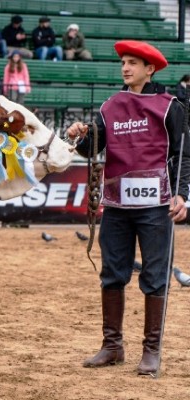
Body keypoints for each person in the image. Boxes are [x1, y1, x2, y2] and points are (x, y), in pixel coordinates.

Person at [66, 40, 190, 376]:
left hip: (157, 207)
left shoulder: (170, 106)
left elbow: (183, 155)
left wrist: (182, 194)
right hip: (116, 205)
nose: (125, 68)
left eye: (133, 63)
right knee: (112, 274)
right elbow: (93, 149)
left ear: (149, 69)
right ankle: (112, 346)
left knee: (154, 277)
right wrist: (81, 137)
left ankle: (151, 352)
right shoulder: (110, 106)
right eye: (123, 62)